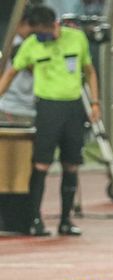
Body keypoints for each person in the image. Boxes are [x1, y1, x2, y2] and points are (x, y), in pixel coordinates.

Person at [0, 5, 100, 236]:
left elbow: (90, 70)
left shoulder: (76, 39)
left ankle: (66, 220)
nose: (44, 37)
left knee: (71, 163)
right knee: (41, 163)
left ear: (55, 23)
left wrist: (95, 102)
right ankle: (35, 220)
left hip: (73, 106)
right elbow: (9, 74)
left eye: (46, 32)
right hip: (47, 107)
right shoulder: (31, 46)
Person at [0, 8, 35, 124]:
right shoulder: (13, 43)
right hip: (11, 105)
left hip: (29, 106)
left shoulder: (33, 43)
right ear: (20, 24)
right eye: (29, 25)